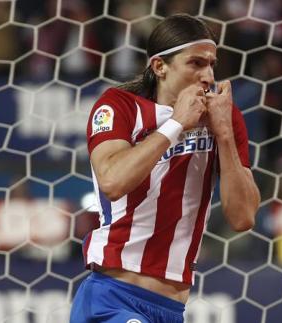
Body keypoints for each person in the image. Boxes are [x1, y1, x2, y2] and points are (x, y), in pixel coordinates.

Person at [70, 13, 260, 323]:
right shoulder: (119, 106)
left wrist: (224, 134)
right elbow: (113, 181)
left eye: (212, 64)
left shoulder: (224, 119)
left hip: (171, 311)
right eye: (195, 63)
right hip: (112, 299)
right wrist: (175, 125)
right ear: (160, 67)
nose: (208, 76)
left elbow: (243, 217)